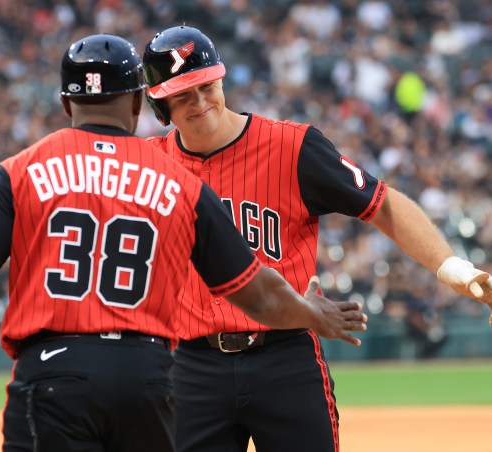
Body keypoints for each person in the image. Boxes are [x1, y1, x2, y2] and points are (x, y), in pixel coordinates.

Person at [0, 34, 368, 452]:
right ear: (137, 103)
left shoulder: (21, 170)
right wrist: (313, 313)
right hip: (147, 374)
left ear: (68, 105)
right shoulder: (178, 181)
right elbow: (257, 294)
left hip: (53, 370)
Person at [141, 25, 492, 452]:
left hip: (286, 354)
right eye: (182, 94)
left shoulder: (292, 146)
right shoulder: (148, 168)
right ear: (160, 105)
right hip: (192, 365)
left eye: (206, 85)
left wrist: (449, 265)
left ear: (221, 80)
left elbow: (383, 204)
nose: (200, 102)